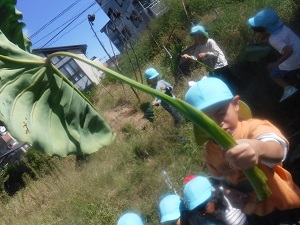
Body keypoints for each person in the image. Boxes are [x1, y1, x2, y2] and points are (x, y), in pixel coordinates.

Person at [184, 77, 300, 224]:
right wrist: (228, 192)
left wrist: (257, 148)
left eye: (221, 113)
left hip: (284, 205)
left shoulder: (253, 128)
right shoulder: (210, 151)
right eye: (206, 121)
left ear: (235, 104)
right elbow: (222, 180)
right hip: (253, 214)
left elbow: (278, 149)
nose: (218, 124)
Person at [248, 8, 300, 102]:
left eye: (257, 32)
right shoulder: (284, 28)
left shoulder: (273, 40)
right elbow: (282, 39)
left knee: (273, 73)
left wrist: (276, 63)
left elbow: (289, 50)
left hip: (295, 61)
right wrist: (268, 41)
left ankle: (289, 88)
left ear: (265, 30)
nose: (257, 35)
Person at [181, 25, 242, 94]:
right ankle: (230, 92)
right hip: (211, 68)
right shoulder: (198, 47)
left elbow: (216, 53)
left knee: (229, 77)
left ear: (201, 35)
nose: (195, 38)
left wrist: (206, 54)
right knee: (215, 81)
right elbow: (196, 58)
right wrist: (189, 57)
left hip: (220, 64)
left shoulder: (210, 42)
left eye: (196, 36)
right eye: (194, 36)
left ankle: (241, 87)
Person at [183, 175, 248, 225]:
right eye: (197, 210)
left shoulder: (231, 214)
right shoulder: (215, 206)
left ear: (213, 197)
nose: (202, 214)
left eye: (203, 208)